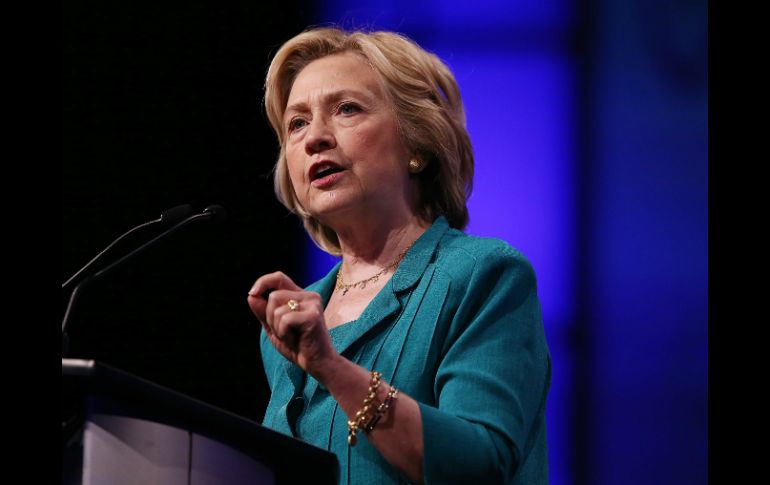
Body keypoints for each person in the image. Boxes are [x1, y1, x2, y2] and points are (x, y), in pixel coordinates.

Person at [247, 27, 551, 484]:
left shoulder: (483, 276)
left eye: (346, 109)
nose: (314, 139)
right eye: (297, 124)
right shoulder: (291, 320)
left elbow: (480, 466)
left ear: (417, 146)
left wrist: (332, 369)